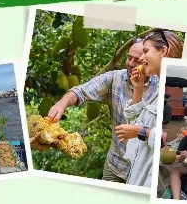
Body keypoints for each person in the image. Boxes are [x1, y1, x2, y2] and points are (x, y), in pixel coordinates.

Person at [46, 41, 160, 183]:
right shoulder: (115, 78)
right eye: (129, 57)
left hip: (143, 170)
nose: (130, 63)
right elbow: (80, 91)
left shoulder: (160, 86)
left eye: (136, 60)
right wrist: (61, 104)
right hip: (116, 166)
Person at [114, 28, 184, 187]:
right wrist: (138, 90)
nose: (141, 57)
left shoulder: (169, 91)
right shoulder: (157, 89)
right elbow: (134, 122)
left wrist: (141, 132)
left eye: (145, 51)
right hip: (137, 173)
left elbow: (166, 140)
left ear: (163, 51)